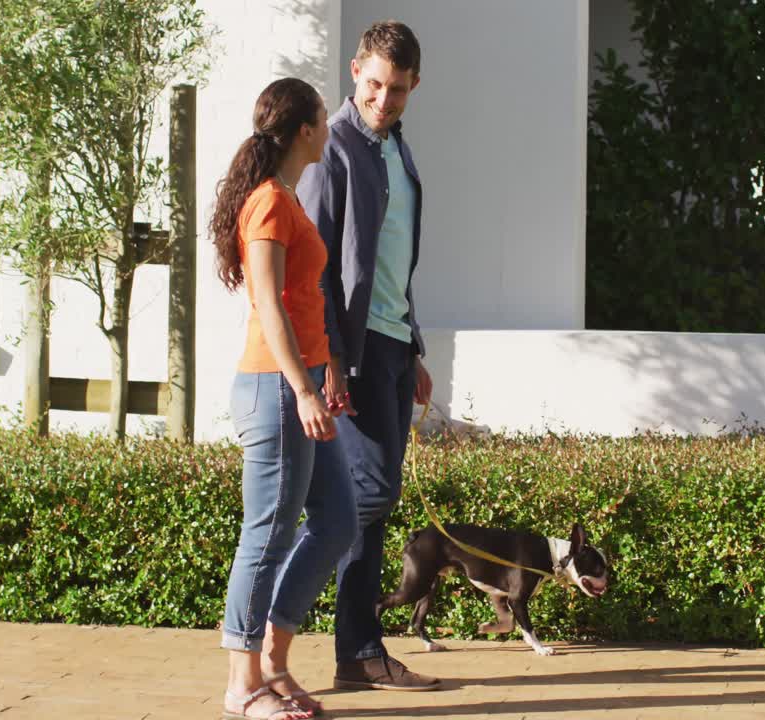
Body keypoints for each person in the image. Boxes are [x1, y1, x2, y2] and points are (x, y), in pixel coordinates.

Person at [297, 20, 440, 692]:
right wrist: (327, 360)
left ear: (414, 87)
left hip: (390, 343)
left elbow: (392, 267)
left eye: (400, 90)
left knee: (377, 502)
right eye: (376, 85)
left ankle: (359, 653)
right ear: (355, 71)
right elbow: (318, 268)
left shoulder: (398, 151)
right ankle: (276, 605)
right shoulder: (334, 151)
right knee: (368, 493)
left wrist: (411, 346)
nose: (385, 99)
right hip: (348, 353)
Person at [211, 77, 355, 719]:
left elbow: (304, 302)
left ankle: (274, 659)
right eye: (323, 118)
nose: (329, 127)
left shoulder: (286, 198)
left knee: (337, 521)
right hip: (275, 389)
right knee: (267, 534)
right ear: (304, 131)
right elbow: (268, 303)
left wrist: (325, 375)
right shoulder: (268, 202)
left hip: (301, 384)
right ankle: (242, 685)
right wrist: (301, 387)